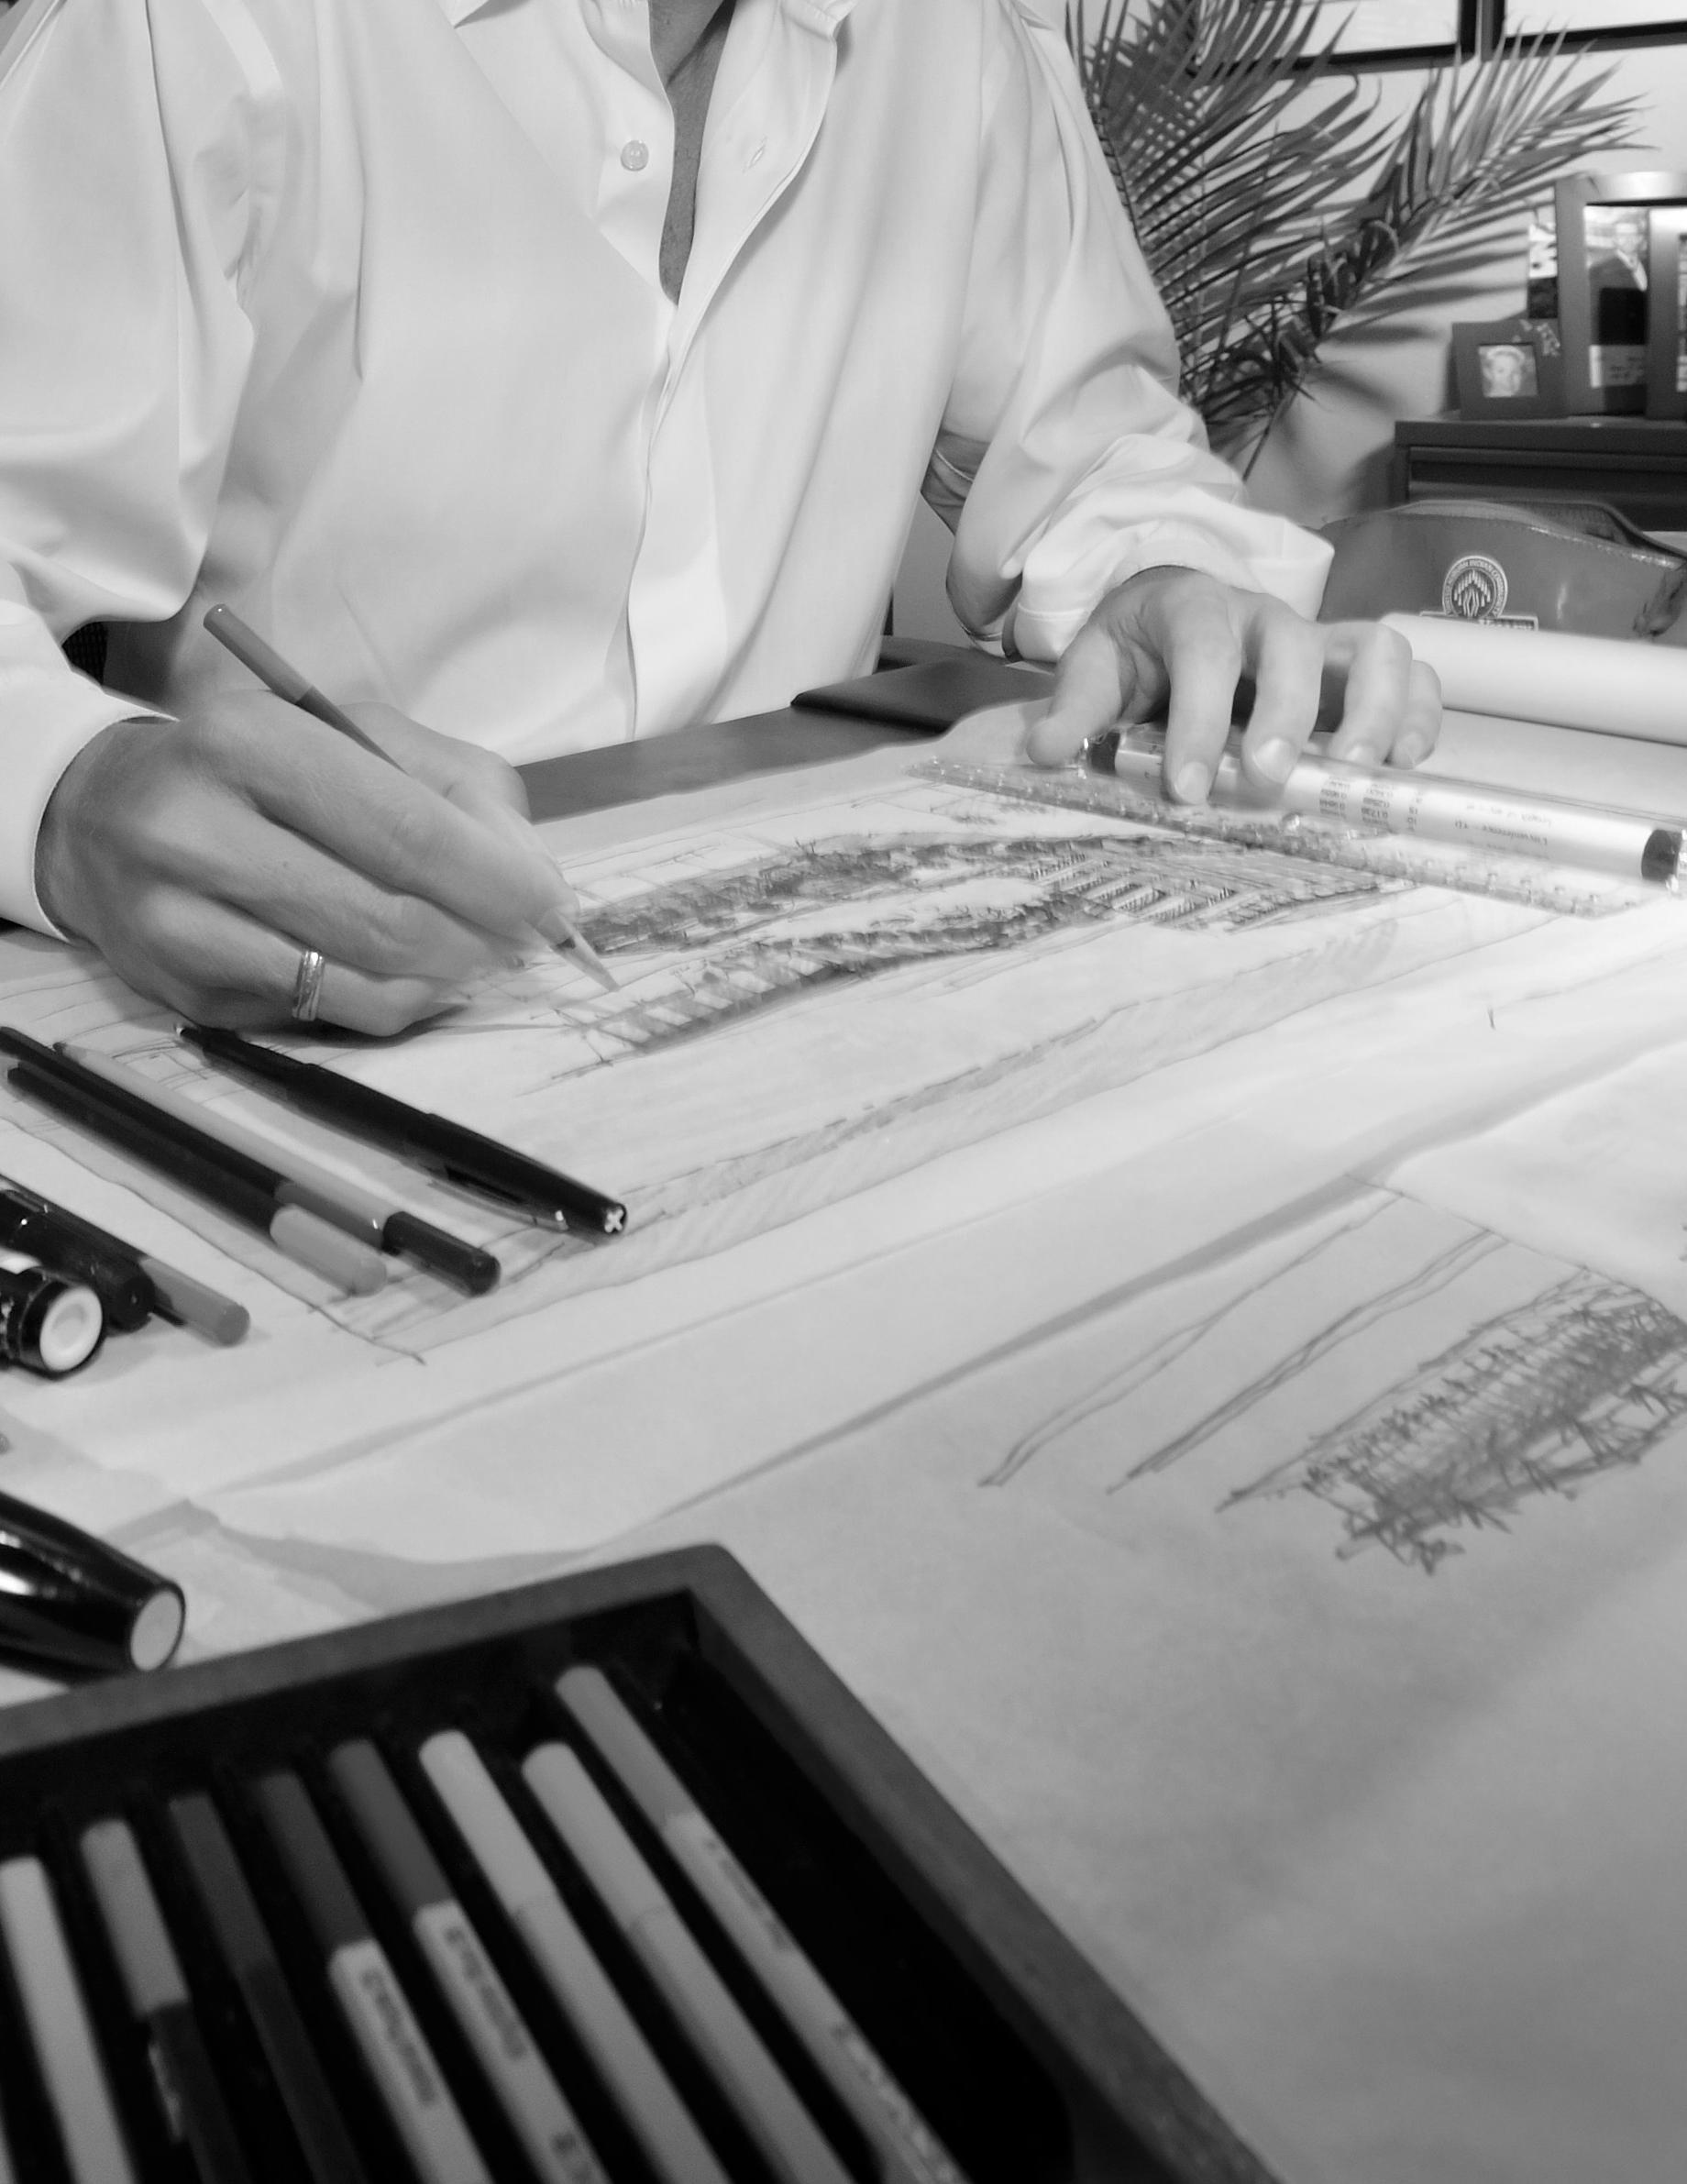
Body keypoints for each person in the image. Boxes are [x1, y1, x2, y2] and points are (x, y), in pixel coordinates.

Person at [0, 0, 1439, 1035]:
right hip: (298, 1007)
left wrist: (1163, 576)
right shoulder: (187, 26)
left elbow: (1097, 459)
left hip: (802, 992)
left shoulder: (961, 42)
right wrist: (70, 797)